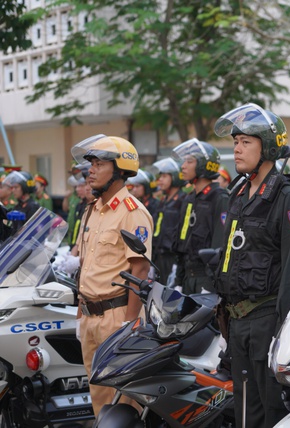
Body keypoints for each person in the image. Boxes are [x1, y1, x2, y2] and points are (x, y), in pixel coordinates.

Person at [213, 103, 290, 428]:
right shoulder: (239, 195)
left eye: (246, 142)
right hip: (238, 323)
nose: (237, 149)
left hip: (269, 322)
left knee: (272, 412)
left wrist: (284, 331)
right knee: (244, 412)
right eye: (235, 142)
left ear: (267, 147)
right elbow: (231, 258)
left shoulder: (288, 198)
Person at [71, 134, 153, 416]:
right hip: (91, 316)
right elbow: (86, 266)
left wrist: (129, 324)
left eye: (98, 163)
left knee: (121, 405)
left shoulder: (132, 212)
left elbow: (139, 270)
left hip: (117, 317)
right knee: (99, 398)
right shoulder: (92, 209)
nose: (90, 170)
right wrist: (80, 315)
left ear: (119, 170)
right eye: (90, 163)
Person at [172, 138, 229, 295]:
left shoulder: (220, 198)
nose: (183, 166)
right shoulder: (189, 199)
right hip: (187, 280)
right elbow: (182, 243)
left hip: (207, 279)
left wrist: (213, 285)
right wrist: (178, 281)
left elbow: (221, 247)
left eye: (189, 161)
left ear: (204, 165)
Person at [150, 157, 186, 285]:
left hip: (172, 258)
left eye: (164, 176)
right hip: (159, 256)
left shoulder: (182, 200)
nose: (160, 180)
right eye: (160, 176)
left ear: (175, 177)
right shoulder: (163, 201)